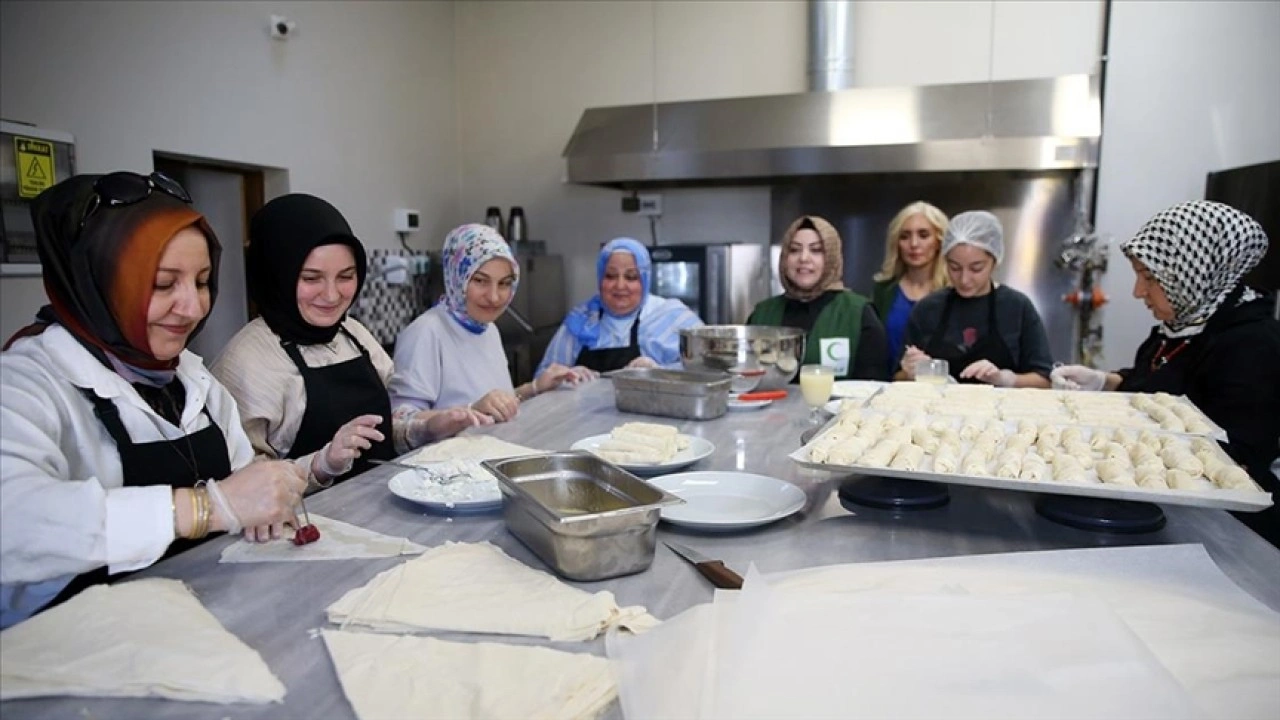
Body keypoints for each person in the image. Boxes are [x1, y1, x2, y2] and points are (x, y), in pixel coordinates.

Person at [0, 172, 307, 628]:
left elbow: (244, 482)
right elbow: (13, 522)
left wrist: (265, 500)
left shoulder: (193, 379)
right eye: (164, 284)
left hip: (203, 619)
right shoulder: (25, 384)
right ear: (99, 282)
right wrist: (205, 508)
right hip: (71, 641)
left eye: (202, 281)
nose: (194, 307)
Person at [212, 195, 486, 486]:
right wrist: (321, 465)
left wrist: (426, 429)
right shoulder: (244, 363)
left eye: (345, 276)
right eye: (311, 278)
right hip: (308, 516)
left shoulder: (353, 333)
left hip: (379, 501)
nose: (332, 295)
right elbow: (242, 485)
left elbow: (381, 431)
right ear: (276, 276)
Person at [1052, 201, 1280, 546]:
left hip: (1231, 533)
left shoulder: (1252, 344)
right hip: (1163, 515)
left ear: (1196, 270)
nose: (1138, 292)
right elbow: (1158, 382)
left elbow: (1239, 458)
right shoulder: (1177, 329)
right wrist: (1105, 381)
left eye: (1149, 277)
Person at [389, 224, 588, 423]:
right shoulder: (425, 332)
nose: (494, 297)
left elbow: (492, 405)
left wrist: (535, 388)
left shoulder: (488, 329)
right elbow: (400, 421)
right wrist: (468, 413)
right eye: (480, 281)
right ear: (457, 277)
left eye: (504, 283)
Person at [899, 210, 1053, 387]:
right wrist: (911, 371)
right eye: (955, 267)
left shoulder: (1017, 307)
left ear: (994, 261)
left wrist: (1006, 379)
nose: (964, 279)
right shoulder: (927, 309)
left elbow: (1044, 380)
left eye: (976, 268)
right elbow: (897, 377)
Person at [747, 216, 888, 380]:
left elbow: (873, 385)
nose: (803, 258)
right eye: (794, 250)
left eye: (816, 250)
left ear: (831, 258)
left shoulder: (858, 313)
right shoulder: (762, 313)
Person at [537, 237, 704, 375]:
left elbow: (706, 371)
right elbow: (545, 377)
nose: (620, 285)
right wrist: (566, 377)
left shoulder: (671, 316)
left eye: (631, 277)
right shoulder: (581, 320)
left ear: (645, 280)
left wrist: (660, 372)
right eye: (610, 276)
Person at [871, 202, 950, 375]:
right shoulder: (883, 291)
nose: (914, 244)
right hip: (890, 384)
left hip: (941, 386)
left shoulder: (954, 292)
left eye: (923, 235)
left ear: (939, 241)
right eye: (905, 236)